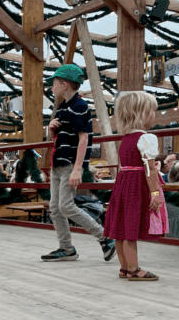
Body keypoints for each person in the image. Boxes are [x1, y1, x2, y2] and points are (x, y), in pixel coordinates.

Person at [41, 64, 116, 264]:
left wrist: (78, 168)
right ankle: (66, 248)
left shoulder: (79, 106)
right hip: (57, 164)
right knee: (55, 208)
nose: (52, 88)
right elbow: (60, 138)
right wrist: (51, 129)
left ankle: (105, 236)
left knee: (65, 205)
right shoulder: (62, 108)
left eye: (54, 85)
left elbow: (84, 138)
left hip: (69, 164)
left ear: (64, 85)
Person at [104, 92, 167, 281]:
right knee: (131, 228)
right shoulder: (146, 138)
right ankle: (134, 269)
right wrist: (155, 192)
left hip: (123, 184)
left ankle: (124, 268)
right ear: (143, 114)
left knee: (121, 227)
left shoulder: (125, 139)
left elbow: (125, 166)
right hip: (137, 185)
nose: (154, 115)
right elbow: (150, 170)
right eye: (152, 111)